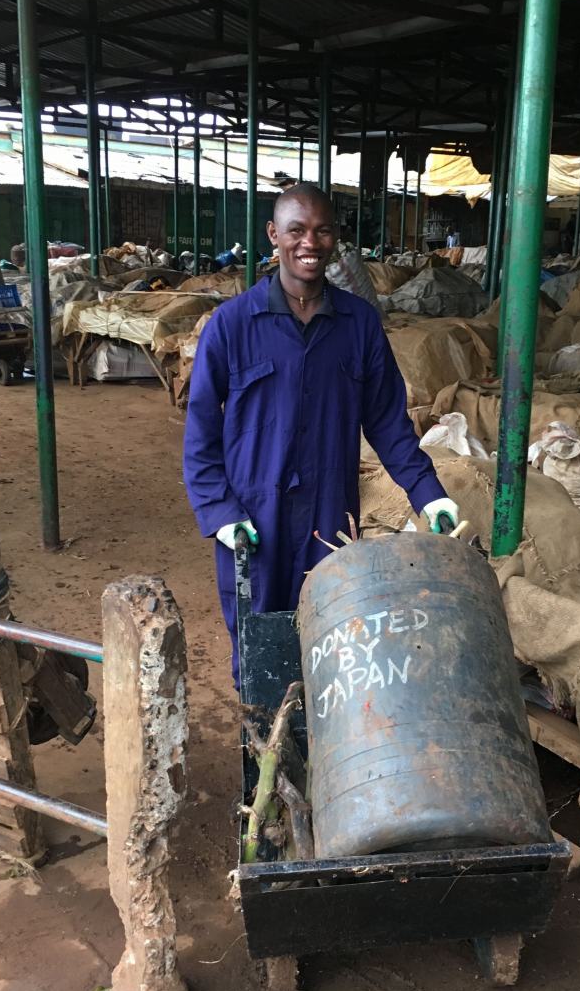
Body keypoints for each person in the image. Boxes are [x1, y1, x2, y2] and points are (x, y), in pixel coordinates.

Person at [183, 183, 459, 684]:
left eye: (322, 230)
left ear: (335, 239)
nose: (309, 242)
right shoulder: (231, 326)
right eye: (296, 230)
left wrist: (429, 494)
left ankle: (322, 753)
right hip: (254, 518)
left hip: (330, 517)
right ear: (274, 235)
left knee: (331, 638)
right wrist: (222, 513)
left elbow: (386, 421)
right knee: (259, 645)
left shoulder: (358, 325)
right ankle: (263, 749)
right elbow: (201, 433)